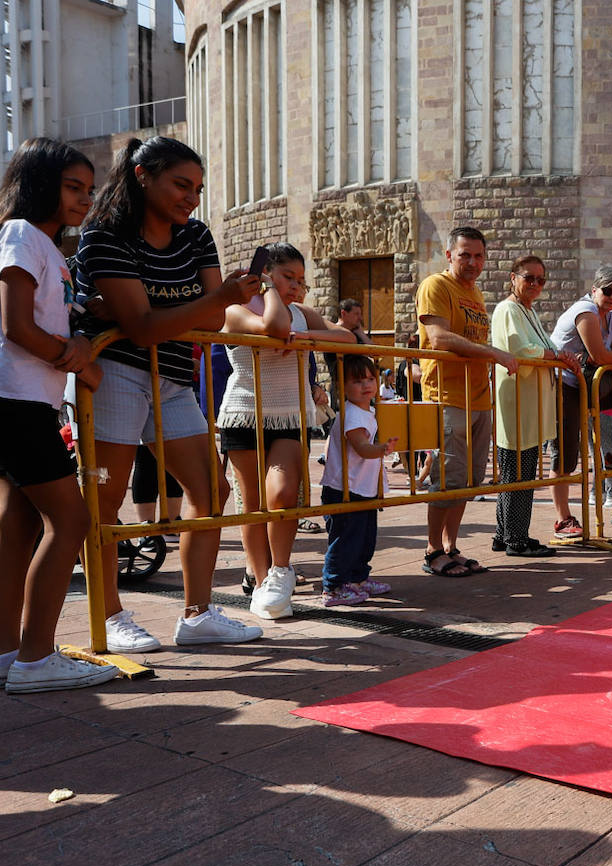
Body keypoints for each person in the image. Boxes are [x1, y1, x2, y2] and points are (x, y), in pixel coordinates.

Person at [74, 136, 263, 652]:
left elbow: (215, 317)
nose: (191, 198)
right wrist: (187, 310)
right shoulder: (104, 237)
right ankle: (109, 615)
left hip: (175, 378)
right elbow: (141, 329)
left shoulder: (197, 235)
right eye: (181, 184)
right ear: (143, 176)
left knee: (212, 493)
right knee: (104, 504)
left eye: (198, 189)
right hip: (115, 372)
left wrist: (165, 316)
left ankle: (197, 614)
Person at [0, 137, 118, 693]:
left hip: (29, 400)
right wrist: (75, 359)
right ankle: (36, 657)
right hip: (16, 401)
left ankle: (9, 652)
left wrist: (76, 340)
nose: (84, 200)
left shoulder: (53, 250)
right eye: (73, 188)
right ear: (38, 183)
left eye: (89, 191)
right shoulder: (21, 234)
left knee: (18, 527)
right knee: (70, 522)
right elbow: (17, 327)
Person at [218, 242, 354, 619]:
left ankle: (280, 571)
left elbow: (347, 337)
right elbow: (274, 328)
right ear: (266, 276)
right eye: (286, 278)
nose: (295, 287)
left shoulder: (300, 313)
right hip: (244, 414)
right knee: (252, 505)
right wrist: (268, 293)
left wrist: (308, 338)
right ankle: (261, 583)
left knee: (282, 494)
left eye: (300, 281)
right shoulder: (234, 309)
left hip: (290, 416)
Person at [416, 226, 518, 576]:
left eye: (478, 256)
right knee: (447, 479)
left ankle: (450, 546)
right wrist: (493, 353)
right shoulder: (435, 285)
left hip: (478, 399)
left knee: (469, 480)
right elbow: (439, 337)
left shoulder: (475, 294)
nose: (473, 262)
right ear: (449, 255)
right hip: (446, 396)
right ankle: (432, 551)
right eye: (465, 254)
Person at [548, 266, 612, 533]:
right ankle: (563, 518)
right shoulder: (587, 311)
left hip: (593, 383)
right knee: (566, 456)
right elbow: (604, 356)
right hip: (566, 385)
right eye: (608, 291)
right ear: (594, 290)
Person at [490, 255, 578, 557]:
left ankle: (504, 533)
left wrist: (560, 355)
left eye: (541, 280)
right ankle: (516, 538)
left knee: (519, 471)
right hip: (518, 403)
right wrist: (555, 357)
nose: (535, 285)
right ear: (513, 277)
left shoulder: (528, 311)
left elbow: (547, 346)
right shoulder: (507, 309)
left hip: (530, 404)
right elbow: (520, 350)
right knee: (518, 473)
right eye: (529, 278)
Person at [319, 354, 397, 606]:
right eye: (357, 381)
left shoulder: (368, 411)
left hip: (361, 488)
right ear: (342, 387)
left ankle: (358, 578)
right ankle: (333, 586)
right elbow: (363, 447)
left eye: (370, 379)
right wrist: (382, 449)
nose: (366, 385)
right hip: (344, 489)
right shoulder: (352, 415)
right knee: (345, 540)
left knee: (364, 539)